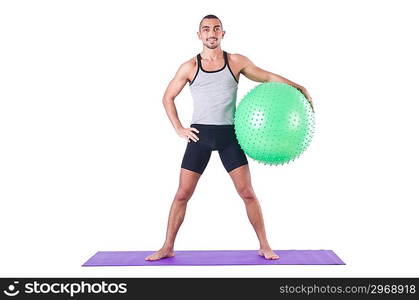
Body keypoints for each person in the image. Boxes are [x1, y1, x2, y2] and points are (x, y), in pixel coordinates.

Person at [145, 14, 313, 261]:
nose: (211, 33)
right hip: (200, 135)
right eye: (206, 29)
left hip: (229, 135)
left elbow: (266, 77)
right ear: (199, 35)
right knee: (182, 194)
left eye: (216, 29)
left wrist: (299, 87)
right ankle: (167, 246)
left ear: (223, 33)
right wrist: (179, 128)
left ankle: (265, 245)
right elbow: (167, 97)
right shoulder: (189, 66)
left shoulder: (235, 62)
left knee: (246, 192)